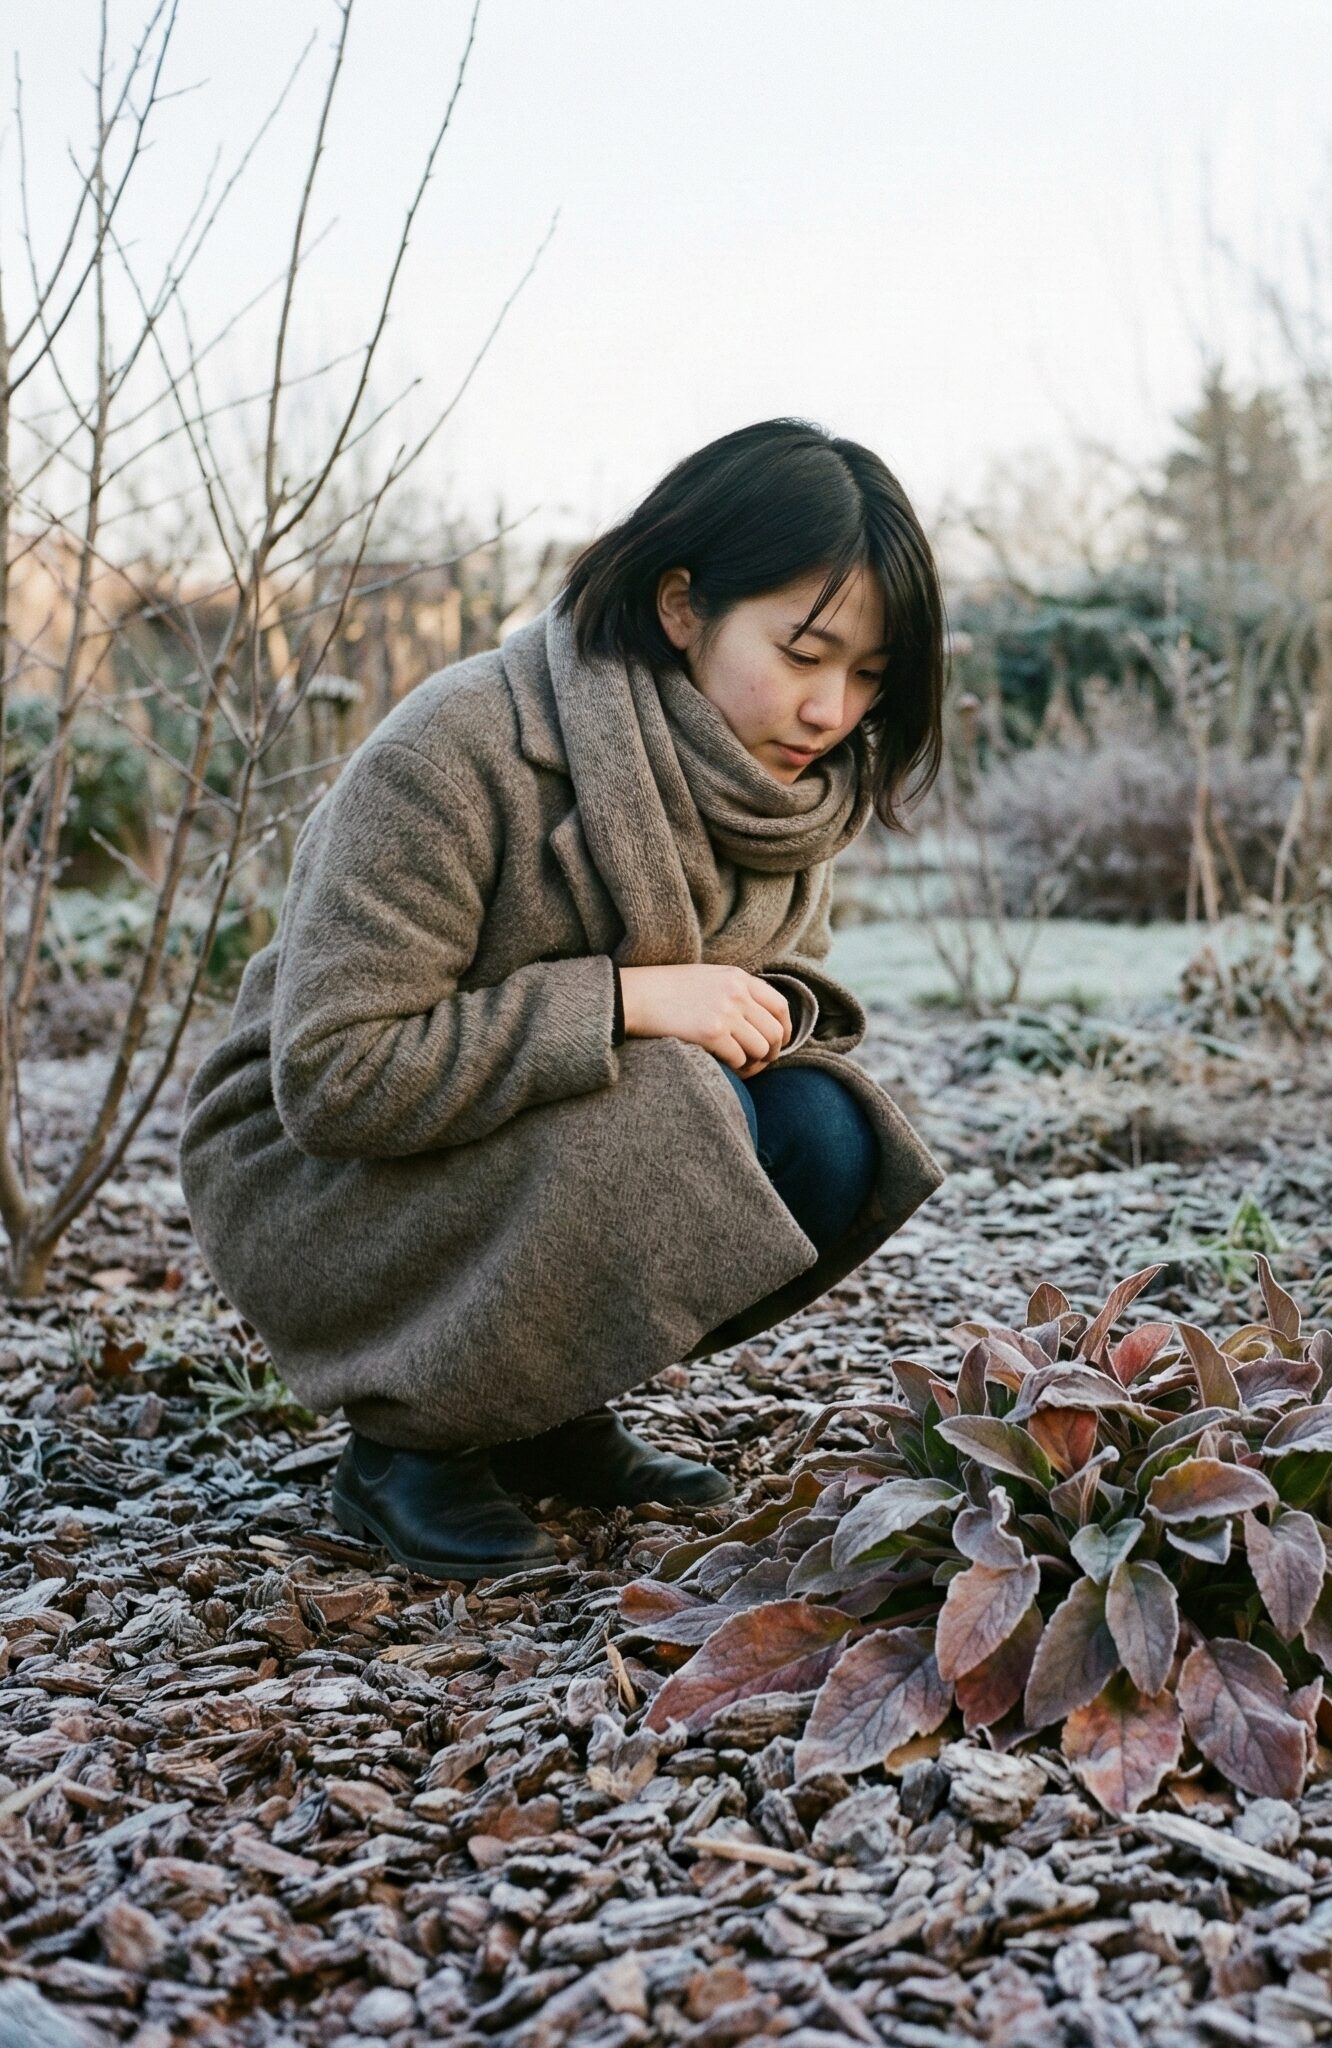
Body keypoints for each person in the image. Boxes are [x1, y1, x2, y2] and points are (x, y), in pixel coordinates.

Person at [177, 419, 948, 1579]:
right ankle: (408, 1450)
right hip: (310, 1177)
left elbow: (756, 991)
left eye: (868, 675)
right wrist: (629, 1000)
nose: (831, 709)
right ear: (682, 606)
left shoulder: (776, 795)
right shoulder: (458, 744)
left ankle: (541, 1411)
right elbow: (331, 1077)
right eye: (802, 651)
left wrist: (757, 1011)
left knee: (825, 1134)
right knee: (666, 1109)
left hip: (514, 1136)